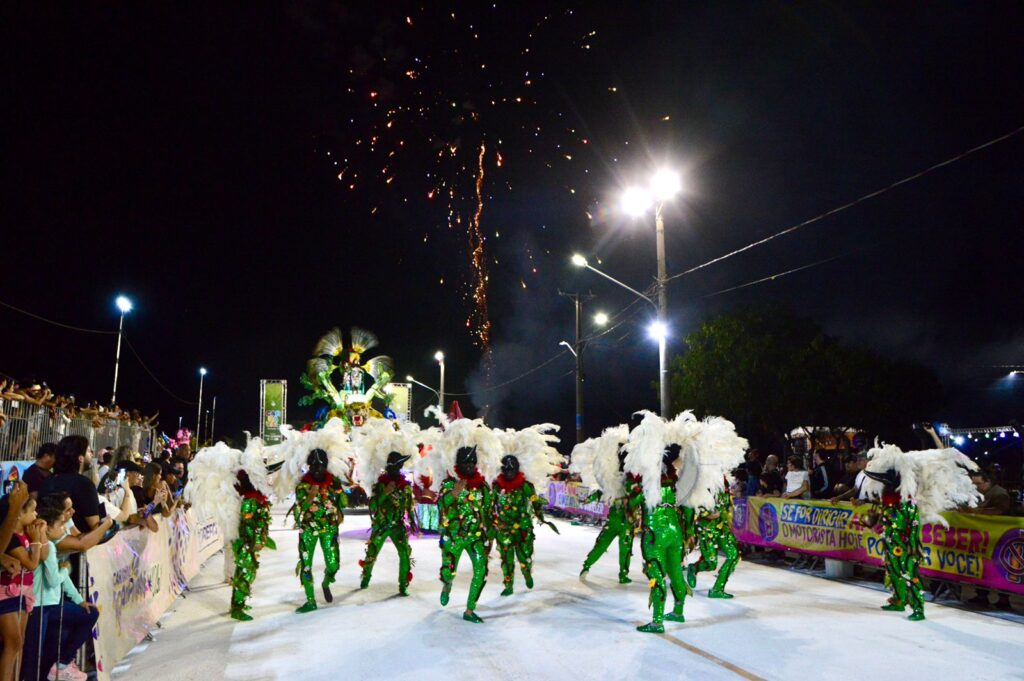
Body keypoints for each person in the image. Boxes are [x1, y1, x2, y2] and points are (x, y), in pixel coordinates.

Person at [861, 443, 982, 621]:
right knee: (893, 571)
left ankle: (918, 608)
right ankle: (898, 600)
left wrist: (912, 546)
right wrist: (872, 523)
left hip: (906, 547)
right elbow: (885, 522)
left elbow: (914, 526)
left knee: (909, 574)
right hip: (891, 544)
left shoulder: (908, 504)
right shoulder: (888, 503)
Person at [21, 504, 97, 681]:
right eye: (61, 525)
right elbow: (55, 579)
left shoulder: (51, 545)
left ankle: (62, 664)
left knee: (43, 651)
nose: (64, 529)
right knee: (34, 654)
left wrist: (79, 600)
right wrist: (65, 570)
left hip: (50, 605)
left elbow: (63, 579)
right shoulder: (47, 547)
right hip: (40, 606)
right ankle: (62, 664)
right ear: (47, 528)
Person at [352, 420, 420, 596]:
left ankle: (403, 585)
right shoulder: (380, 485)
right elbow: (373, 505)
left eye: (400, 466)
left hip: (398, 526)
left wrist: (412, 522)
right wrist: (385, 493)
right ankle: (365, 578)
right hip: (381, 526)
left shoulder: (405, 486)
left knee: (405, 554)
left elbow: (408, 506)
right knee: (372, 554)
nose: (398, 469)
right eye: (396, 466)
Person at [491, 425, 560, 596]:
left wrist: (540, 516)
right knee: (506, 559)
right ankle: (508, 585)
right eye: (506, 470)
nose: (509, 473)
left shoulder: (526, 486)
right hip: (504, 528)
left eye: (511, 470)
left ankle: (527, 572)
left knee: (524, 556)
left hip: (523, 527)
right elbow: (490, 504)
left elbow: (535, 502)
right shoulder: (496, 486)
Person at [569, 425, 639, 584]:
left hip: (619, 521)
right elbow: (602, 493)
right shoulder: (627, 484)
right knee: (618, 548)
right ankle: (619, 574)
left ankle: (589, 566)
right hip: (622, 522)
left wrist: (586, 500)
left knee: (615, 547)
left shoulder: (614, 482)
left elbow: (600, 493)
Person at [292, 448, 347, 613]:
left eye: (320, 466)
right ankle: (310, 601)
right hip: (308, 530)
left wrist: (339, 502)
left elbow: (343, 501)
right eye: (313, 466)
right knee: (306, 566)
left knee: (333, 565)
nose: (317, 469)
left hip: (329, 529)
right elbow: (297, 512)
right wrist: (309, 497)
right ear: (309, 466)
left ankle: (325, 583)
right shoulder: (303, 485)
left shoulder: (333, 482)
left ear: (326, 466)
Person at [0, 492, 46, 681]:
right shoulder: (9, 538)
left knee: (20, 643)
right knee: (13, 643)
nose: (36, 515)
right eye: (33, 511)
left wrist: (40, 533)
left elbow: (44, 555)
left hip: (23, 593)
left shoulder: (26, 533)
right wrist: (35, 540)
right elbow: (32, 563)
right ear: (18, 513)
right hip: (6, 593)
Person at [38, 436, 105, 532]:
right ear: (80, 458)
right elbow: (96, 526)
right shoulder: (83, 484)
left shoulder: (48, 481)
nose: (91, 454)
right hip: (82, 542)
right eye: (88, 451)